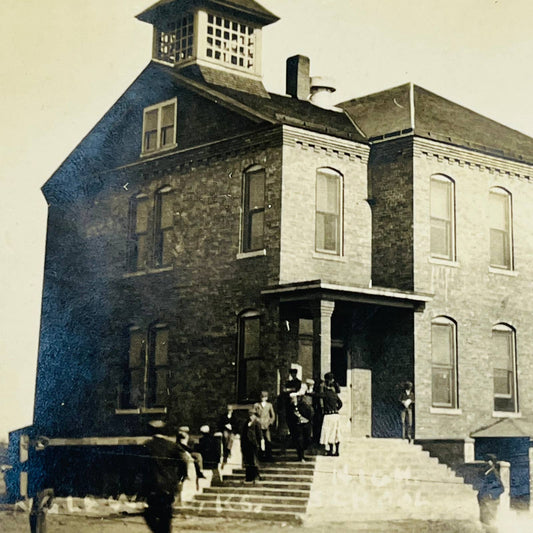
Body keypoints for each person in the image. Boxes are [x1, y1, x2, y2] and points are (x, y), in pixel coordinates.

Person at [143, 420, 188, 533]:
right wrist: (180, 478)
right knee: (165, 515)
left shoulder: (147, 446)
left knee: (150, 513)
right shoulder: (171, 445)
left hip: (153, 486)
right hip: (169, 486)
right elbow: (184, 461)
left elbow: (141, 467)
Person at [477, 454, 504, 532]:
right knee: (485, 523)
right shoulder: (487, 473)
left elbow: (501, 488)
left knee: (490, 523)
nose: (485, 463)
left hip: (490, 503)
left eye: (487, 461)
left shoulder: (494, 473)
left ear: (491, 462)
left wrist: (491, 495)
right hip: (484, 502)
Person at [319, 374, 342, 456]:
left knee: (329, 432)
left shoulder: (325, 393)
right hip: (336, 415)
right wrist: (336, 409)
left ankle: (331, 450)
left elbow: (318, 395)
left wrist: (307, 393)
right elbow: (340, 403)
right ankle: (337, 451)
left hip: (329, 415)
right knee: (336, 432)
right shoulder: (334, 393)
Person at [287, 390, 313, 462]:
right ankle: (301, 456)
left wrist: (308, 420)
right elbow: (288, 418)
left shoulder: (303, 405)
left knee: (307, 440)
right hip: (297, 426)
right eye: (292, 398)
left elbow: (309, 413)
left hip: (305, 425)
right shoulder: (290, 407)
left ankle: (303, 451)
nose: (293, 399)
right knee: (299, 440)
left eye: (294, 398)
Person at [240, 408, 262, 482]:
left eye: (252, 415)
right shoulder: (246, 422)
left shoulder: (257, 422)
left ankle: (256, 476)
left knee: (254, 461)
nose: (251, 416)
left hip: (254, 444)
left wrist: (261, 443)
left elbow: (259, 434)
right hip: (247, 444)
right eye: (250, 414)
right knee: (248, 461)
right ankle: (248, 477)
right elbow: (243, 433)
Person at [253, 391, 276, 461]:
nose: (263, 398)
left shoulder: (269, 405)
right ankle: (260, 455)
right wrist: (257, 420)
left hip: (266, 425)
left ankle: (269, 455)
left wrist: (270, 422)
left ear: (267, 398)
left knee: (268, 440)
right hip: (259, 424)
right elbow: (253, 414)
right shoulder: (257, 405)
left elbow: (273, 416)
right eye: (262, 397)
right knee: (260, 439)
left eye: (264, 397)